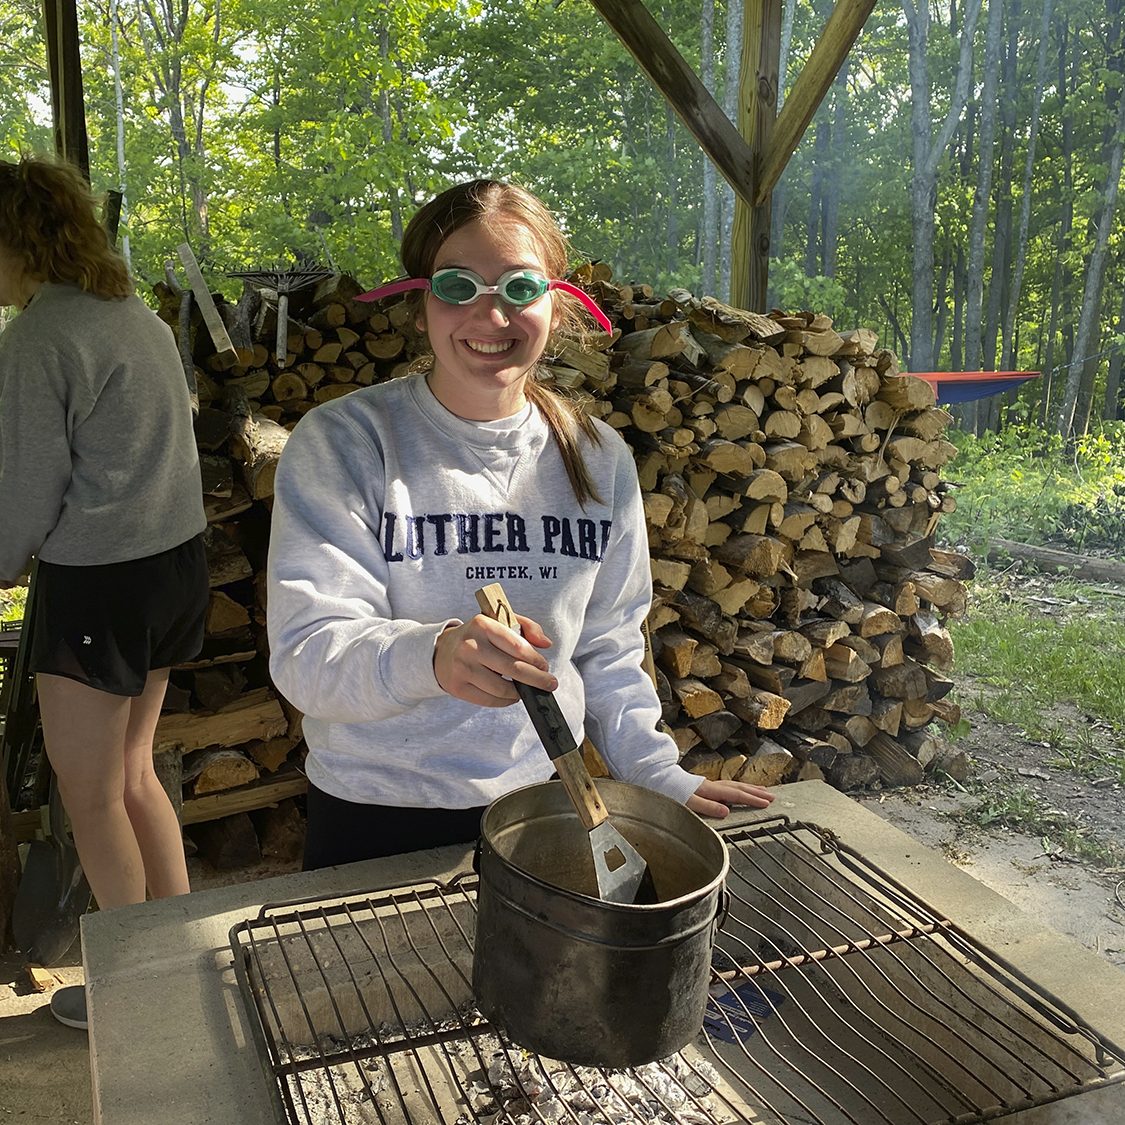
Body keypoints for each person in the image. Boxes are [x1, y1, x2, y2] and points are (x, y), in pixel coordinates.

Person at [267, 179, 774, 871]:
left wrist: (658, 775)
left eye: (517, 288)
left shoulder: (598, 457)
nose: (489, 314)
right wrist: (435, 656)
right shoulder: (345, 443)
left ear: (557, 307)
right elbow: (307, 654)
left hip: (544, 802)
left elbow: (606, 647)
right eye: (456, 286)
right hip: (375, 809)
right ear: (419, 305)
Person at [0, 156, 208, 1029]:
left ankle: (138, 992)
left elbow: (22, 492)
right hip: (172, 569)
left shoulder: (40, 338)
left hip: (97, 584)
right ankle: (187, 958)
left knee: (88, 793)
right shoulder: (137, 318)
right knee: (131, 775)